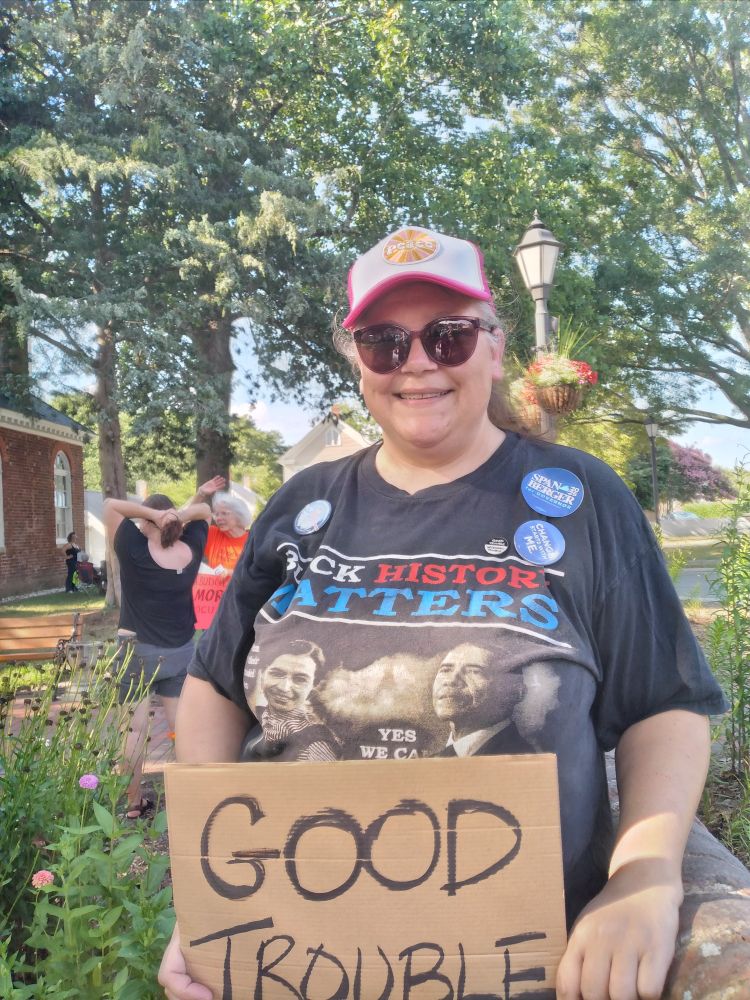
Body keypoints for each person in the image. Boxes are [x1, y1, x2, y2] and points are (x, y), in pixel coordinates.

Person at [159, 226, 726, 1000]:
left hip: (523, 970)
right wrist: (210, 887)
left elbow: (664, 702)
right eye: (385, 342)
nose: (417, 362)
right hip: (297, 961)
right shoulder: (301, 505)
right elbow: (216, 689)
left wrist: (646, 878)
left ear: (495, 349)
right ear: (358, 360)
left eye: (449, 336)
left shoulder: (582, 498)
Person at [103, 493, 210, 819]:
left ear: (146, 521)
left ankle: (133, 805)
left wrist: (151, 513)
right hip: (180, 652)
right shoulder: (190, 549)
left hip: (138, 652)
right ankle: (193, 801)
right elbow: (204, 510)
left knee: (134, 731)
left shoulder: (134, 548)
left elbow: (109, 506)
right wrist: (174, 514)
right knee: (182, 727)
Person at [242, 639, 339, 761]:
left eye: (300, 679)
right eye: (277, 673)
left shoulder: (315, 744)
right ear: (263, 674)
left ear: (314, 686)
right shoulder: (260, 714)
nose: (284, 687)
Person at [432, 642, 534, 756]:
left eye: (474, 671)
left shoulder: (526, 760)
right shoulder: (429, 763)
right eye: (445, 670)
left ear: (515, 693)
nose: (450, 680)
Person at [189, 478, 251, 629]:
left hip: (244, 606)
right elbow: (187, 520)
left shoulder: (253, 539)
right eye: (216, 514)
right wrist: (200, 494)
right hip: (215, 608)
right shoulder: (213, 534)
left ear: (239, 515)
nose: (219, 518)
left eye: (224, 513)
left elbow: (260, 571)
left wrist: (231, 572)